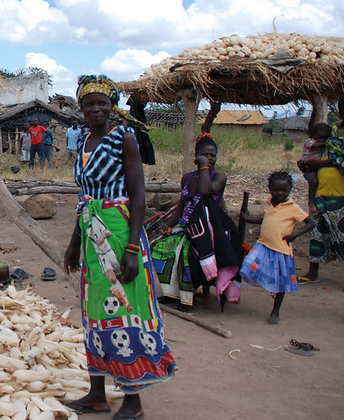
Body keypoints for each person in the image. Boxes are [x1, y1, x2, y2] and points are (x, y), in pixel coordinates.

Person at [63, 75, 175, 420]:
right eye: (89, 104)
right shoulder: (84, 140)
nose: (96, 109)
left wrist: (131, 248)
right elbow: (85, 199)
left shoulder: (123, 138)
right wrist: (74, 244)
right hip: (91, 231)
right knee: (96, 311)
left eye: (102, 103)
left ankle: (133, 400)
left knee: (125, 309)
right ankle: (97, 394)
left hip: (119, 229)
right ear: (81, 108)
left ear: (112, 106)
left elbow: (138, 196)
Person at [150, 134, 241, 311]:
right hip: (185, 226)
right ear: (196, 155)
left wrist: (204, 165)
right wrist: (169, 225)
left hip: (206, 230)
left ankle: (187, 298)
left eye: (212, 155)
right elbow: (181, 205)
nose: (209, 158)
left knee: (185, 253)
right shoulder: (187, 178)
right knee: (159, 248)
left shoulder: (219, 178)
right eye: (205, 155)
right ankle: (172, 292)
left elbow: (206, 190)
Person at [240, 172, 315, 324]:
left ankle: (275, 311)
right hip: (263, 245)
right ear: (269, 189)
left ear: (290, 190)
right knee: (247, 265)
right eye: (276, 190)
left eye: (284, 190)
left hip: (281, 249)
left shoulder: (293, 207)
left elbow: (311, 223)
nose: (280, 193)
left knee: (281, 283)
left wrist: (295, 235)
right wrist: (249, 219)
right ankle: (266, 283)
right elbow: (266, 219)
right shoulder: (268, 202)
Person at [297, 117, 344, 283]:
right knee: (317, 233)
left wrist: (316, 164)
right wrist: (307, 164)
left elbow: (338, 159)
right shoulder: (332, 133)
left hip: (340, 194)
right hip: (321, 192)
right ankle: (313, 272)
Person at [297, 122, 331, 214]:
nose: (321, 140)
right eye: (319, 137)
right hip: (308, 167)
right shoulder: (309, 142)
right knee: (314, 182)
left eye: (324, 138)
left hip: (316, 168)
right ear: (312, 135)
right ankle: (311, 201)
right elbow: (316, 145)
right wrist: (328, 142)